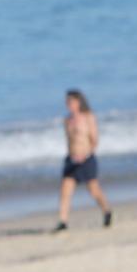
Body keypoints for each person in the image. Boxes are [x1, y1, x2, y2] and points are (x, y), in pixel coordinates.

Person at [56, 89, 112, 231]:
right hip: (71, 159)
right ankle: (63, 221)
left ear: (78, 102)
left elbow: (94, 140)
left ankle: (106, 211)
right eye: (67, 101)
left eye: (71, 101)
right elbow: (69, 141)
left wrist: (85, 155)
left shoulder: (88, 117)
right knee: (65, 190)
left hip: (87, 159)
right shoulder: (67, 120)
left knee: (93, 190)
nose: (68, 104)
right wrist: (71, 156)